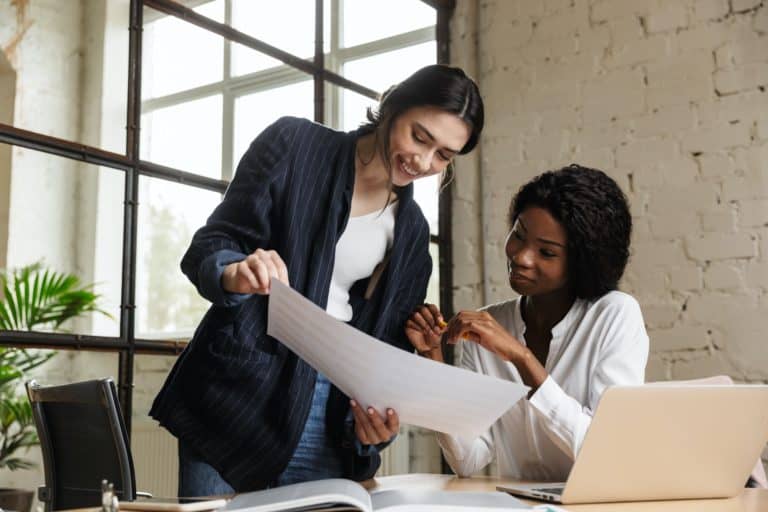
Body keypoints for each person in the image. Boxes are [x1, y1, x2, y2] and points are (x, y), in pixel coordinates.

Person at [149, 64, 484, 495]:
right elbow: (213, 241)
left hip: (332, 416)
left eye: (443, 155)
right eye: (419, 137)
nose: (423, 161)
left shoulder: (413, 233)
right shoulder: (294, 145)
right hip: (239, 396)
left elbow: (385, 351)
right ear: (393, 103)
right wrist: (235, 271)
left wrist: (378, 425)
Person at [406, 164, 649, 481]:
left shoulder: (614, 315)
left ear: (582, 263)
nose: (521, 256)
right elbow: (467, 459)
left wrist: (521, 358)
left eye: (546, 252)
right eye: (519, 235)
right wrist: (433, 360)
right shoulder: (488, 326)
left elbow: (606, 451)